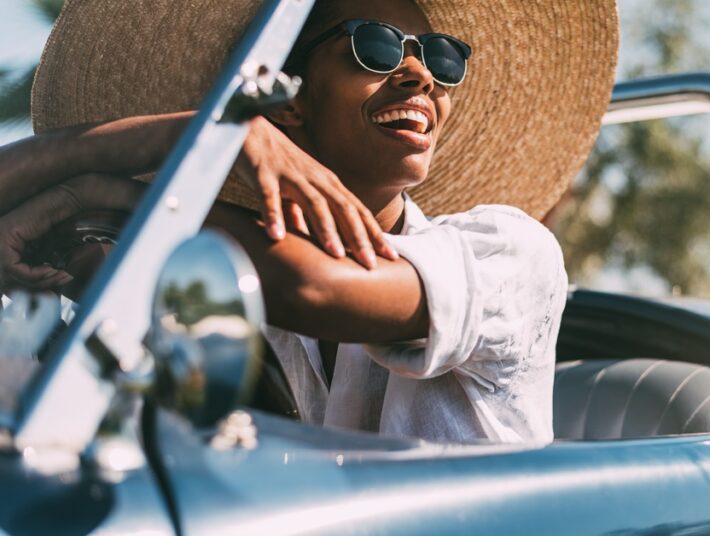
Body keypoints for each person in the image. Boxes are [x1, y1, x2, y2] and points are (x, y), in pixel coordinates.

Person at [0, 0, 618, 443]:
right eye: (374, 46)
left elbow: (314, 288)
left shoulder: (512, 252)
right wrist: (193, 136)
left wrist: (111, 200)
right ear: (290, 100)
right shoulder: (213, 254)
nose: (420, 75)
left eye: (442, 57)